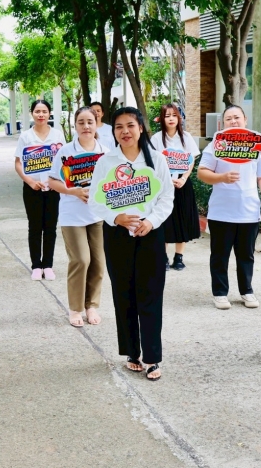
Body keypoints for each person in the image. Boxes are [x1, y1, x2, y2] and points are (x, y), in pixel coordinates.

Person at [89, 107, 174, 381]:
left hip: (150, 234)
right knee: (124, 295)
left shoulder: (157, 160)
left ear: (141, 128)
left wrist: (151, 221)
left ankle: (152, 357)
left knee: (151, 295)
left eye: (130, 125)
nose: (125, 131)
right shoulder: (106, 162)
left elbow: (167, 198)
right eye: (118, 127)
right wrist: (116, 218)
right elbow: (95, 200)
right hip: (117, 236)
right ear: (113, 132)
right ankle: (131, 352)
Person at [198, 105, 261, 310]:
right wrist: (222, 177)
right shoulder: (217, 144)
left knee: (246, 255)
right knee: (220, 255)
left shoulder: (256, 144)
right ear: (222, 123)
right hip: (221, 211)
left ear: (245, 120)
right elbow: (202, 172)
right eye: (228, 119)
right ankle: (220, 293)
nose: (233, 121)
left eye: (237, 117)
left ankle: (247, 291)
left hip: (249, 210)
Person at [49, 107, 108, 327]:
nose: (86, 126)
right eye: (81, 122)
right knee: (81, 260)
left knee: (98, 263)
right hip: (72, 216)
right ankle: (75, 308)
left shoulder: (105, 152)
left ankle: (91, 305)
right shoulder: (65, 152)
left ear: (96, 123)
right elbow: (52, 181)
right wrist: (73, 191)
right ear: (75, 125)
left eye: (90, 122)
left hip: (98, 215)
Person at [14, 99, 66, 280]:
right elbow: (18, 163)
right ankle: (36, 265)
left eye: (44, 111)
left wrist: (56, 182)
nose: (41, 115)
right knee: (35, 227)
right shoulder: (26, 137)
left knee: (50, 227)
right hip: (32, 188)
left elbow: (64, 162)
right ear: (32, 114)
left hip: (53, 188)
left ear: (49, 113)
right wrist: (30, 182)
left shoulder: (58, 135)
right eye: (37, 111)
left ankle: (48, 265)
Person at [150, 103, 201, 271]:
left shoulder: (186, 137)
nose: (171, 119)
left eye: (174, 115)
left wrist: (184, 178)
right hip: (163, 185)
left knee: (182, 219)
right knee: (164, 220)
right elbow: (152, 162)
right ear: (162, 119)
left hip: (182, 184)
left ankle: (179, 257)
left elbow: (191, 159)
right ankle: (163, 257)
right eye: (167, 116)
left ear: (179, 118)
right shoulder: (156, 139)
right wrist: (164, 179)